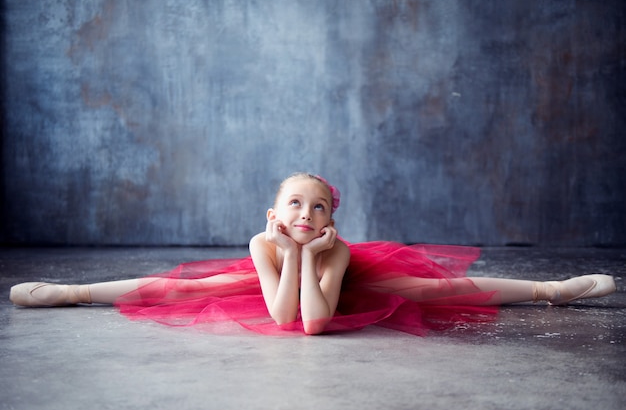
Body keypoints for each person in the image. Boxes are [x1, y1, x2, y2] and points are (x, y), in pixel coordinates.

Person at [9, 173, 617, 336]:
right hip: (274, 285)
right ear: (274, 216)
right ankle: (77, 292)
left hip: (336, 288)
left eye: (319, 207)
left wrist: (310, 258)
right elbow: (280, 315)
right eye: (295, 205)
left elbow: (312, 323)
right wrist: (287, 256)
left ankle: (550, 290)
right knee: (188, 288)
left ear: (331, 219)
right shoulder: (261, 242)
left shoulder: (339, 250)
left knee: (436, 291)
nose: (307, 215)